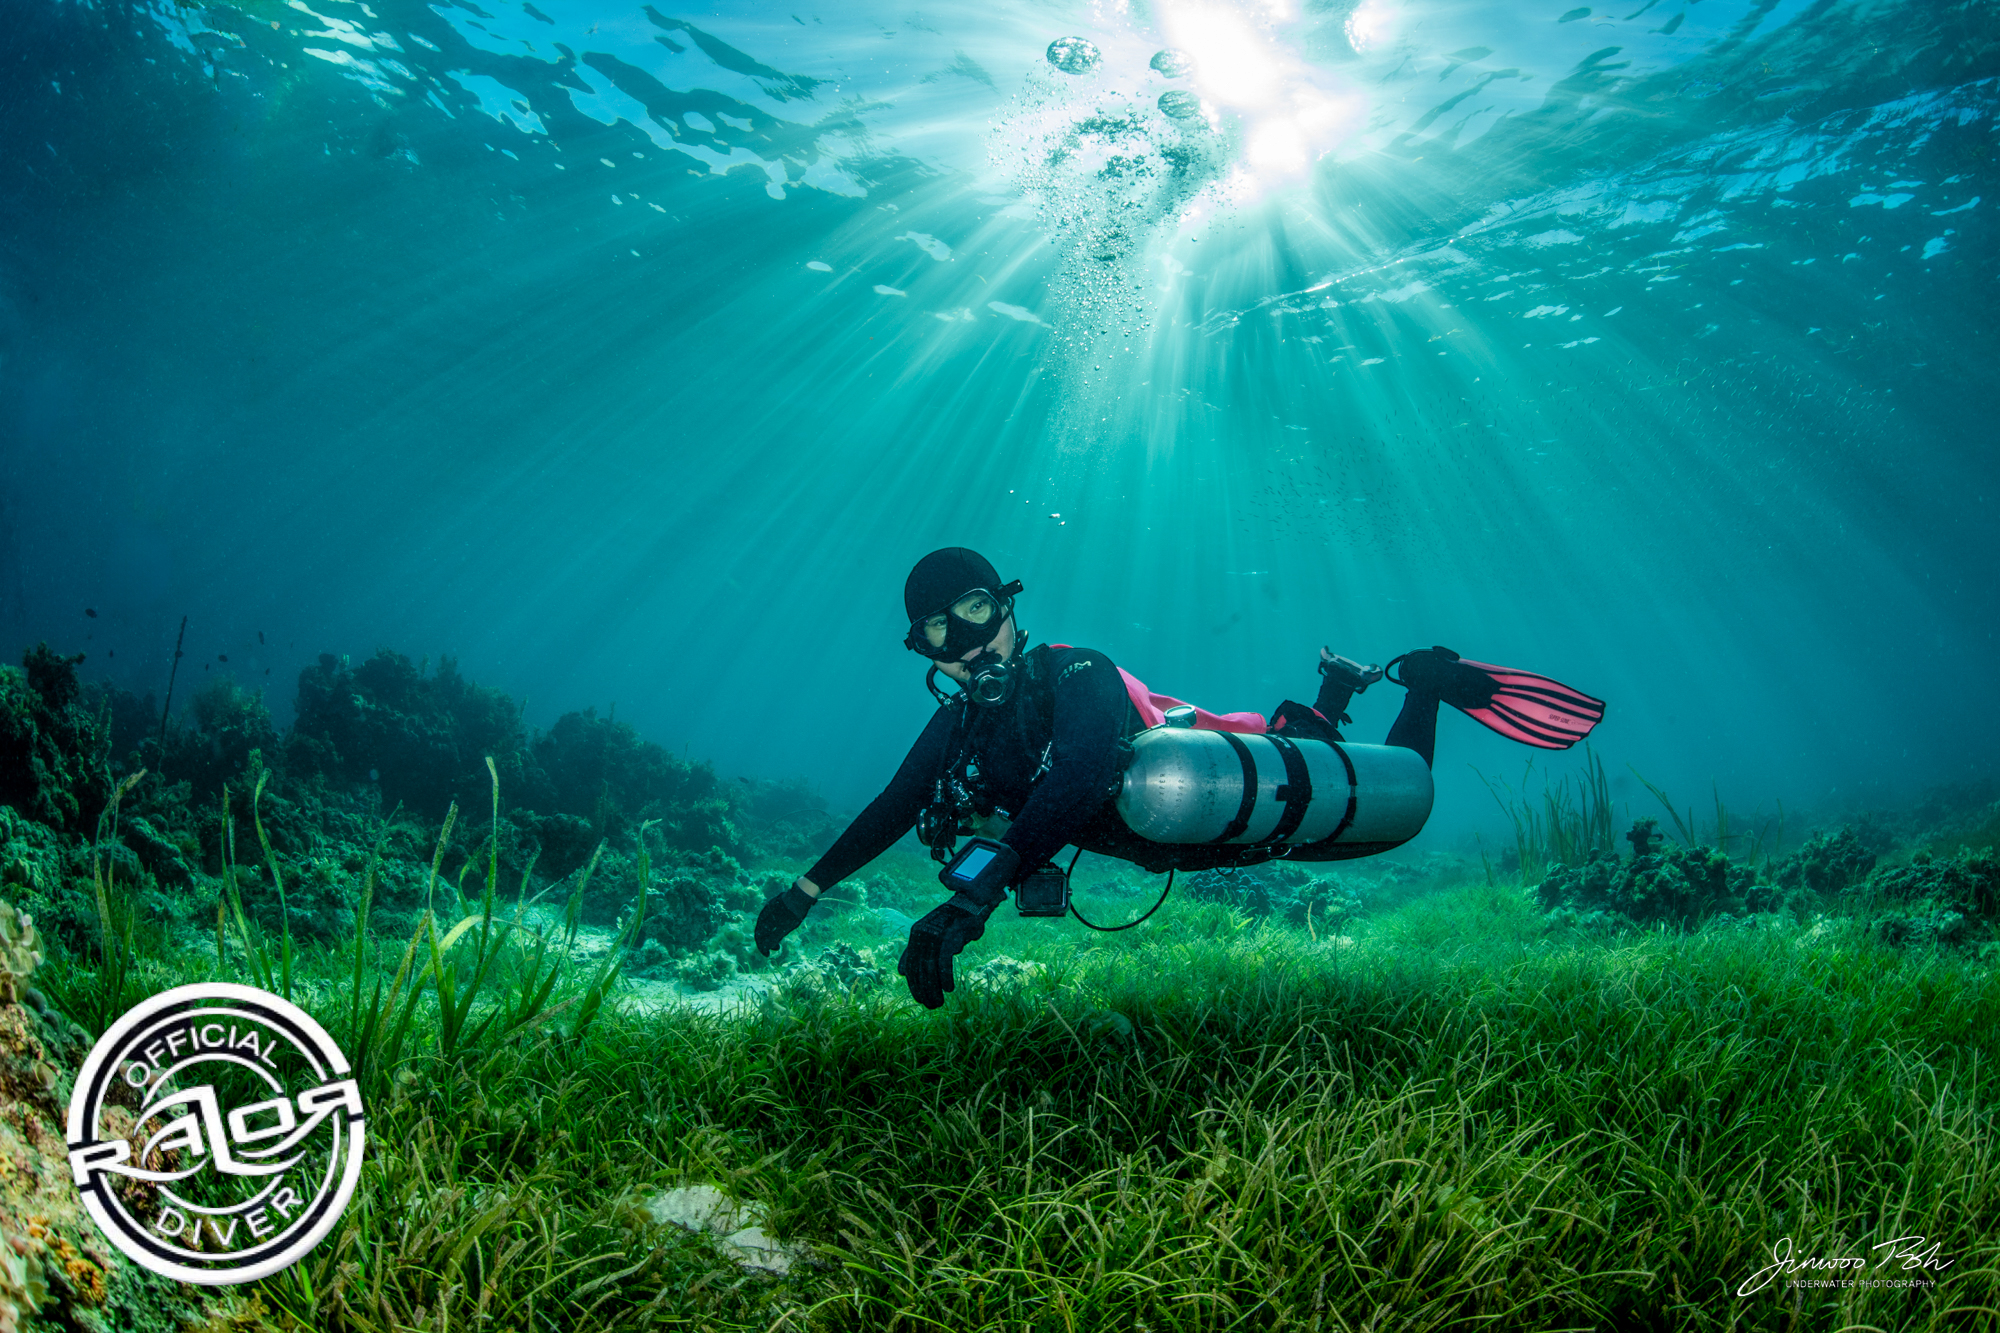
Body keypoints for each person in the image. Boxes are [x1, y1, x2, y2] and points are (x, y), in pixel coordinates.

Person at [755, 547, 1604, 1008]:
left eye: (975, 610)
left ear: (1007, 606)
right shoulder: (959, 724)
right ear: (923, 648)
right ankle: (1334, 691)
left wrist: (972, 897)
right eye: (940, 630)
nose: (967, 641)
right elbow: (895, 803)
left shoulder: (1076, 671)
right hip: (1171, 834)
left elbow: (1080, 772)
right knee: (1297, 794)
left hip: (1209, 795)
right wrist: (805, 890)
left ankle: (1426, 685)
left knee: (1360, 821)